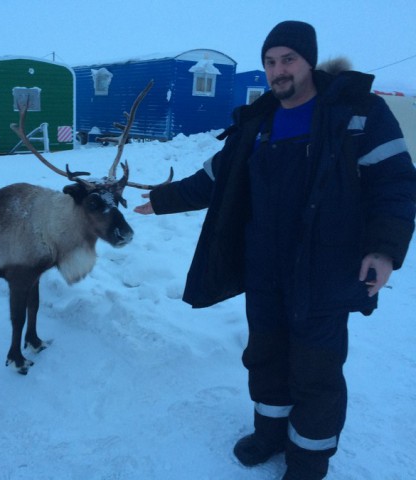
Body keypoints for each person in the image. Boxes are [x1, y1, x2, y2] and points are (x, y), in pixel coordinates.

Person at [134, 20, 416, 480]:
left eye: (288, 59)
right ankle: (269, 433)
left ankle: (308, 460)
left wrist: (384, 250)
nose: (278, 70)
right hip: (264, 267)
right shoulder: (260, 120)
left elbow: (396, 182)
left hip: (326, 269)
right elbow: (215, 179)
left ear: (309, 61)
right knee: (266, 355)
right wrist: (161, 202)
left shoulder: (355, 113)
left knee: (316, 368)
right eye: (269, 62)